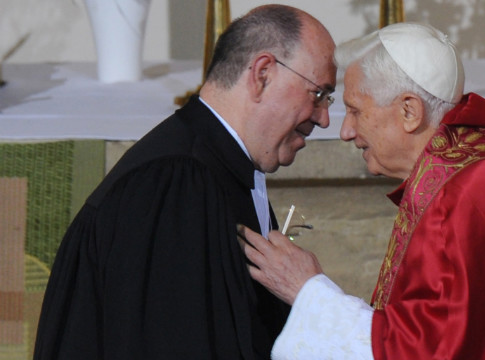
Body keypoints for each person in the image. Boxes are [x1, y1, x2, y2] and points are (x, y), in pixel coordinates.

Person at [237, 22, 485, 359]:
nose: (346, 131)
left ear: (410, 111)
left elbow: (421, 351)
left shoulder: (457, 200)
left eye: (355, 111)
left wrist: (310, 293)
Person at [33, 5, 336, 359]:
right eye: (318, 94)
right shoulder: (174, 184)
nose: (325, 119)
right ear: (263, 73)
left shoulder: (215, 166)